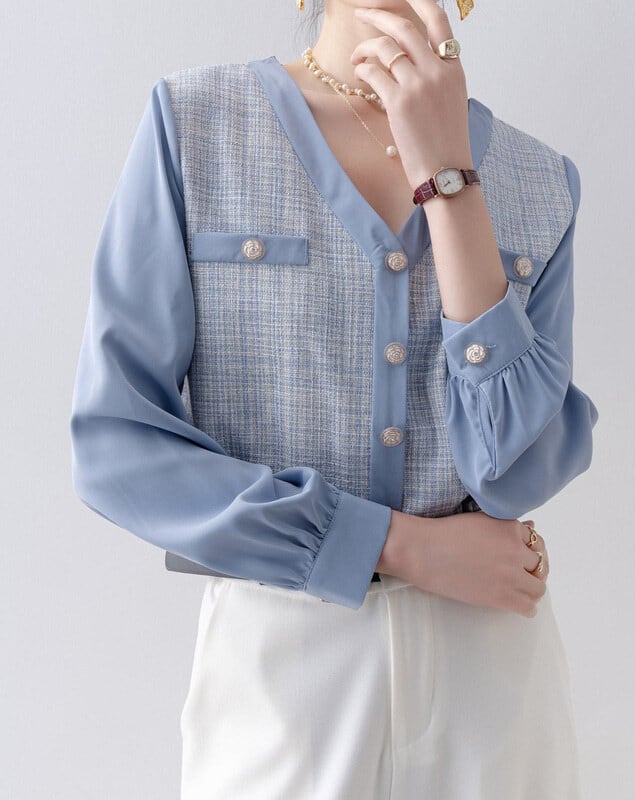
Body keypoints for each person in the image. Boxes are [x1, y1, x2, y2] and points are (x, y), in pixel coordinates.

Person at [69, 0, 600, 797]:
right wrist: (395, 545)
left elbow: (510, 470)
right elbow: (119, 447)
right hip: (284, 667)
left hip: (489, 673)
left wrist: (450, 179)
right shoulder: (197, 124)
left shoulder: (540, 180)